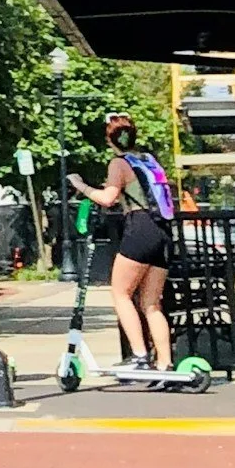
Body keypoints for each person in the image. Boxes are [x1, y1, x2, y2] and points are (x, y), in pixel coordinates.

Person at [69, 114, 174, 373]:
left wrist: (80, 185)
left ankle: (139, 354)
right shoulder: (149, 160)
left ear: (109, 139)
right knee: (151, 303)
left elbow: (108, 199)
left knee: (120, 293)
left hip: (138, 228)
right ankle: (165, 362)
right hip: (162, 229)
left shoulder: (118, 163)